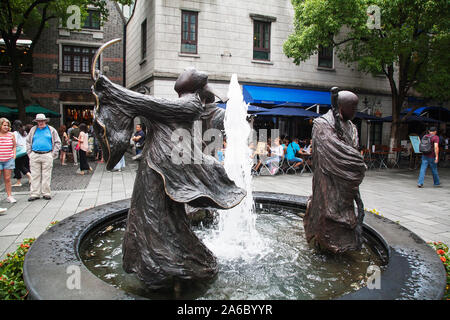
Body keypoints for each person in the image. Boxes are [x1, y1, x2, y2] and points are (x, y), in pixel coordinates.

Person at [92, 67, 245, 290]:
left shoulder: (190, 104)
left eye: (189, 72)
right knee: (155, 214)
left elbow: (145, 104)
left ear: (192, 84)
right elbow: (146, 107)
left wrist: (107, 86)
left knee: (156, 213)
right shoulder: (179, 103)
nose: (184, 71)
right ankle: (162, 264)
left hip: (160, 169)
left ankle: (169, 266)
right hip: (156, 166)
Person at [303, 89, 366, 254]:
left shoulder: (351, 127)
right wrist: (355, 161)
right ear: (341, 106)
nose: (355, 110)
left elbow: (353, 149)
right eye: (353, 106)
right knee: (327, 211)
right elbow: (335, 151)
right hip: (327, 177)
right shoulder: (322, 124)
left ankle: (345, 241)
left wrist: (354, 161)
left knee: (346, 210)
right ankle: (322, 241)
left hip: (344, 184)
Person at [26, 113, 61, 201]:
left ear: (45, 121)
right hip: (35, 154)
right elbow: (27, 141)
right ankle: (35, 193)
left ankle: (46, 193)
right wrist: (29, 153)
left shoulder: (51, 130)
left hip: (47, 154)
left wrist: (53, 154)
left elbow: (57, 142)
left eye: (42, 121)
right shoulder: (33, 130)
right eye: (39, 121)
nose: (40, 122)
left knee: (47, 175)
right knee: (35, 175)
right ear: (36, 122)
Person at [0, 118, 17, 203]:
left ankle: (9, 196)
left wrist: (14, 155)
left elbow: (14, 146)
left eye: (7, 125)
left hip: (8, 159)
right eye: (4, 125)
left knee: (7, 178)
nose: (6, 127)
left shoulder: (11, 134)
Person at [12, 120, 32, 187]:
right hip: (25, 150)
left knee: (18, 166)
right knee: (26, 165)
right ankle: (29, 177)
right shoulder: (24, 132)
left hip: (18, 152)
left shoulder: (15, 133)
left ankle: (22, 180)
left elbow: (15, 142)